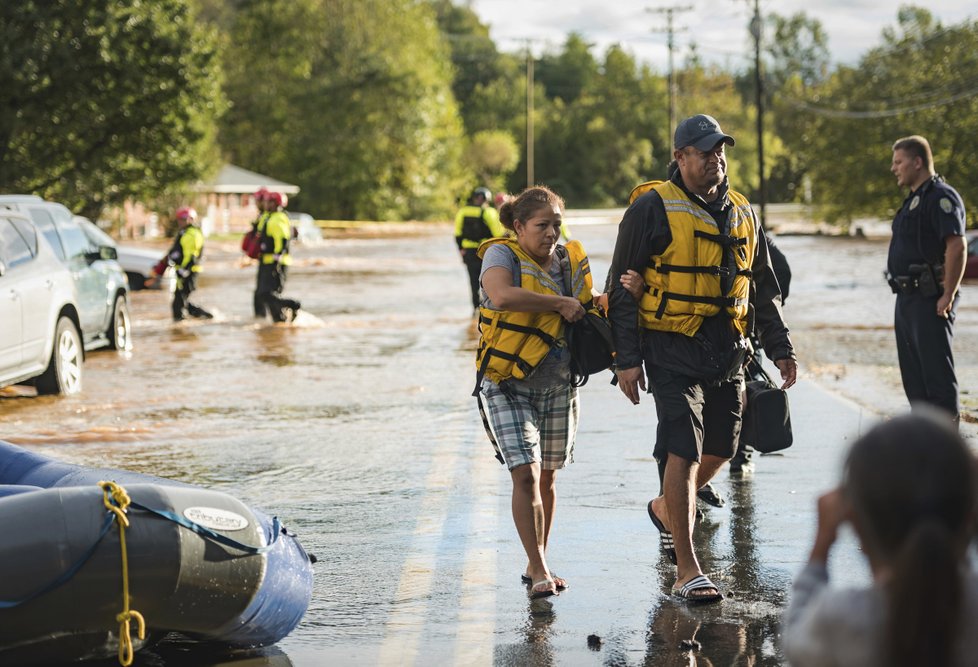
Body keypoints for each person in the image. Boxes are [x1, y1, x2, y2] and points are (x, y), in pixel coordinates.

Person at [607, 113, 797, 603]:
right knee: (683, 450)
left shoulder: (743, 211)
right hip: (671, 349)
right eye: (705, 150)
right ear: (680, 157)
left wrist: (781, 349)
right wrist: (626, 360)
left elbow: (760, 290)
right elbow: (620, 289)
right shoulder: (650, 208)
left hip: (729, 352)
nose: (716, 158)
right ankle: (688, 568)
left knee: (723, 449)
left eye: (721, 150)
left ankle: (665, 507)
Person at [782, 411, 978, 667]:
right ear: (969, 513)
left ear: (854, 520)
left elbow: (796, 641)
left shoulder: (842, 619)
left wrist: (822, 543)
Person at [474, 185, 594, 600]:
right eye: (542, 225)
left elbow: (585, 306)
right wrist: (559, 303)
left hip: (558, 384)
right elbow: (501, 296)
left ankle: (535, 556)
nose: (551, 233)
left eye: (557, 224)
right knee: (524, 473)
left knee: (548, 476)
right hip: (506, 382)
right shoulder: (501, 255)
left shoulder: (565, 260)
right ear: (519, 226)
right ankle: (540, 568)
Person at [886, 135, 967, 427]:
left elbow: (957, 245)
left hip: (931, 299)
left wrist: (948, 293)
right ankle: (924, 447)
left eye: (899, 162)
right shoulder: (912, 201)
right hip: (906, 300)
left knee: (937, 379)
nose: (894, 168)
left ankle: (947, 455)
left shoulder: (941, 197)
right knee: (914, 381)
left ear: (917, 162)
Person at [149, 206, 212, 322]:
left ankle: (183, 325)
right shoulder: (184, 233)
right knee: (181, 301)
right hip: (182, 272)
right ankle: (204, 317)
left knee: (178, 303)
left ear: (191, 219)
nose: (181, 221)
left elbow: (191, 256)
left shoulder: (192, 234)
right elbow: (176, 252)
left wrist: (184, 271)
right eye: (179, 219)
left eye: (183, 219)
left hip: (189, 272)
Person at [455, 186, 506, 311]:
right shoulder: (489, 212)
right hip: (485, 252)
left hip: (468, 252)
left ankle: (475, 309)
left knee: (473, 282)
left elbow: (457, 233)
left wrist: (461, 249)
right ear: (486, 199)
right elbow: (498, 233)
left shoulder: (462, 211)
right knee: (487, 281)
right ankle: (488, 309)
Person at [255, 191, 302, 323]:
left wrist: (277, 260)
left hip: (276, 263)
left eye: (269, 202)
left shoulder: (279, 218)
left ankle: (293, 304)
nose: (266, 204)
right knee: (265, 295)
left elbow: (282, 241)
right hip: (268, 261)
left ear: (276, 204)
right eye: (266, 201)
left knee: (266, 294)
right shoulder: (269, 216)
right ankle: (280, 321)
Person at [249, 187, 271, 318]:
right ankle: (261, 322)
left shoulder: (270, 217)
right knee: (259, 294)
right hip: (263, 259)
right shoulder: (263, 216)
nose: (256, 203)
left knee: (263, 293)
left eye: (257, 200)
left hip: (271, 262)